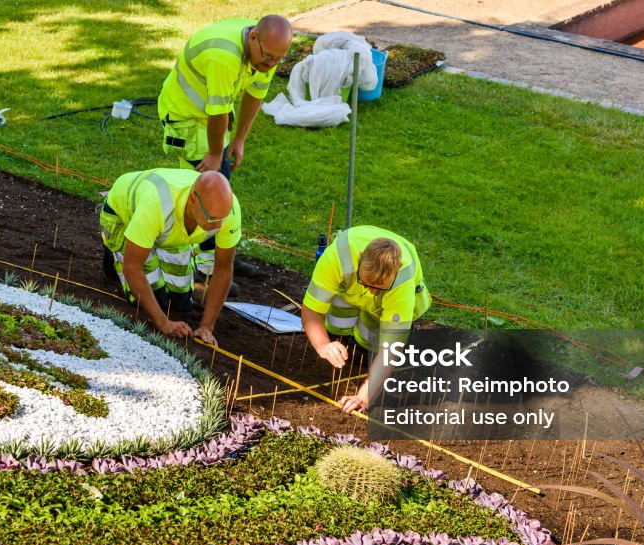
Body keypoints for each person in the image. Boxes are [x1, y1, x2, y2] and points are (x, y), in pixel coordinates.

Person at [158, 15, 293, 279]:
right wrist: (214, 153)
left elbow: (255, 94)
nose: (271, 64)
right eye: (268, 57)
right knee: (206, 186)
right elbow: (217, 113)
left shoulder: (269, 50)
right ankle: (205, 263)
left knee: (221, 181)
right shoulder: (224, 56)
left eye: (279, 59)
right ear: (253, 37)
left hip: (210, 114)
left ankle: (219, 255)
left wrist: (239, 140)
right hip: (184, 115)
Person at [99, 168, 241, 347]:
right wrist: (163, 323)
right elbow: (132, 267)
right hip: (123, 216)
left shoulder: (227, 210)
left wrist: (206, 326)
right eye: (212, 218)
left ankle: (153, 247)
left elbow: (223, 269)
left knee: (181, 303)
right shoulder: (157, 202)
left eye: (223, 217)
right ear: (192, 200)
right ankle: (111, 256)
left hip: (169, 231)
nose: (219, 225)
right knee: (157, 301)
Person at [300, 226, 431, 414]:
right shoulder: (336, 258)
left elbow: (390, 349)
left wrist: (363, 397)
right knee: (336, 326)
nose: (372, 292)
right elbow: (311, 310)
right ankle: (340, 339)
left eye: (379, 287)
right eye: (367, 283)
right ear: (360, 258)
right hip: (347, 291)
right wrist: (323, 345)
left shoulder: (402, 282)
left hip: (385, 304)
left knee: (368, 342)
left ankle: (360, 349)